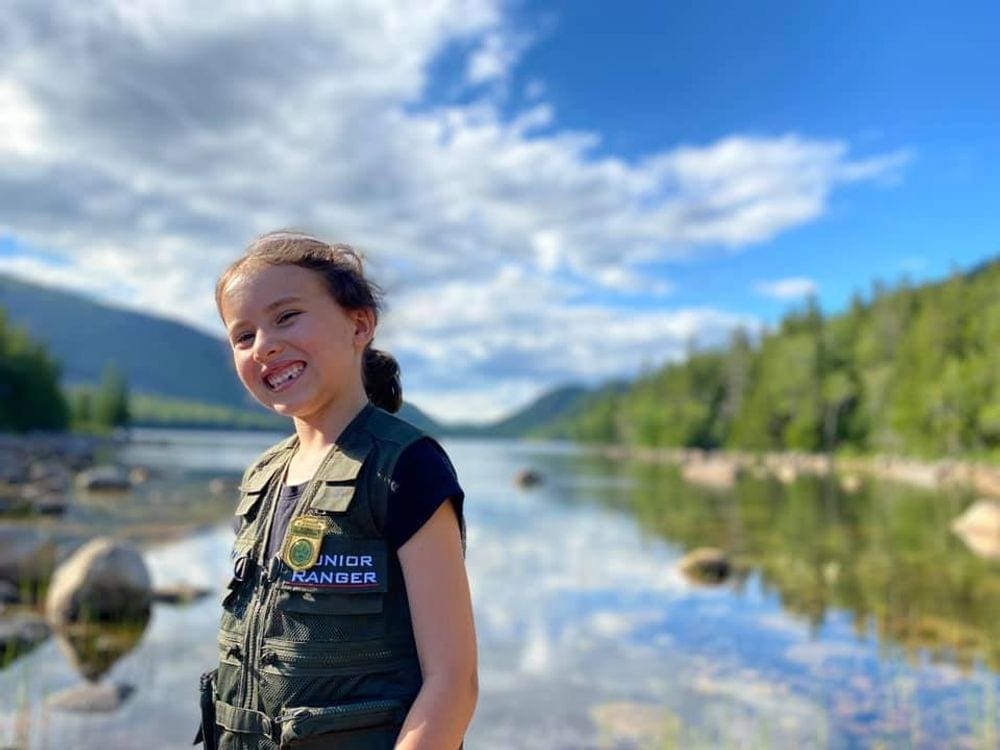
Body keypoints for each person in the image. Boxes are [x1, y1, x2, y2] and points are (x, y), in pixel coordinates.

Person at [197, 231, 477, 749]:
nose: (265, 345)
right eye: (243, 336)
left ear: (359, 323)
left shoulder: (405, 466)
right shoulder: (263, 477)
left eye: (286, 317)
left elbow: (453, 682)